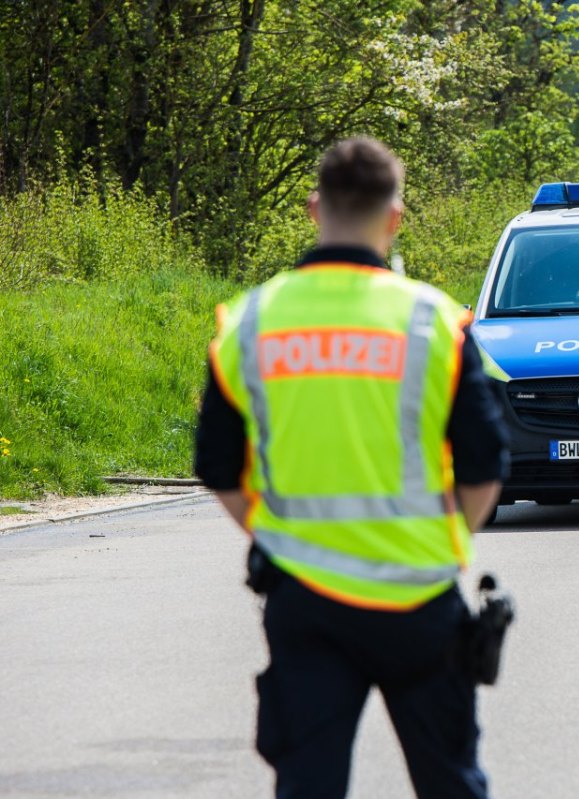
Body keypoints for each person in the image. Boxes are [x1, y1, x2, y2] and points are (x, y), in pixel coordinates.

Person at [193, 137, 508, 799]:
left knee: (308, 786)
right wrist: (447, 539)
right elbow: (485, 467)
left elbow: (217, 467)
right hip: (419, 598)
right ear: (394, 218)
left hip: (304, 603)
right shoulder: (435, 322)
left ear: (314, 208)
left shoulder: (250, 322)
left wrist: (276, 535)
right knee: (451, 783)